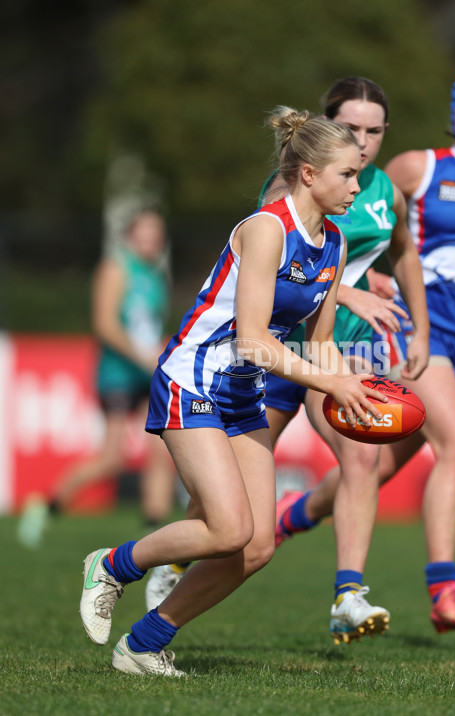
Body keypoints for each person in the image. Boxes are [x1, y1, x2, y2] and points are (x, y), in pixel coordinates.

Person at [79, 106, 390, 677]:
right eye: (347, 174)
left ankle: (143, 645)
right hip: (193, 377)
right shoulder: (267, 228)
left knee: (256, 547)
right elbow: (251, 341)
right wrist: (332, 381)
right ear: (308, 174)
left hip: (243, 392)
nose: (357, 184)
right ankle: (113, 565)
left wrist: (357, 390)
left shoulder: (336, 243)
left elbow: (319, 345)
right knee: (227, 528)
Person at [269, 62, 455, 635]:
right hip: (410, 334)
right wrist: (356, 286)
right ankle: (444, 588)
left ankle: (293, 516)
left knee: (374, 463)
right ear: (453, 109)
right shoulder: (418, 167)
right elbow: (345, 216)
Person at [143, 78, 430, 645]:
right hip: (253, 361)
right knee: (222, 514)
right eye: (352, 131)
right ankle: (146, 563)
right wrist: (351, 293)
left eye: (375, 132)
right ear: (319, 143)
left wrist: (398, 341)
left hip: (320, 356)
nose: (366, 144)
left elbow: (402, 254)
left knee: (349, 467)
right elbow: (273, 290)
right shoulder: (278, 208)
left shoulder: (375, 202)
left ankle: (348, 592)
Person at [17, 210, 177, 548]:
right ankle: (46, 506)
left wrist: (160, 354)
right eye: (145, 232)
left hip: (149, 372)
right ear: (131, 235)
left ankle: (154, 533)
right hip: (118, 373)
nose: (151, 240)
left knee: (162, 450)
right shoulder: (116, 268)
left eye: (157, 233)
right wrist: (143, 358)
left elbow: (150, 326)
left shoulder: (157, 275)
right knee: (111, 459)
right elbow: (105, 325)